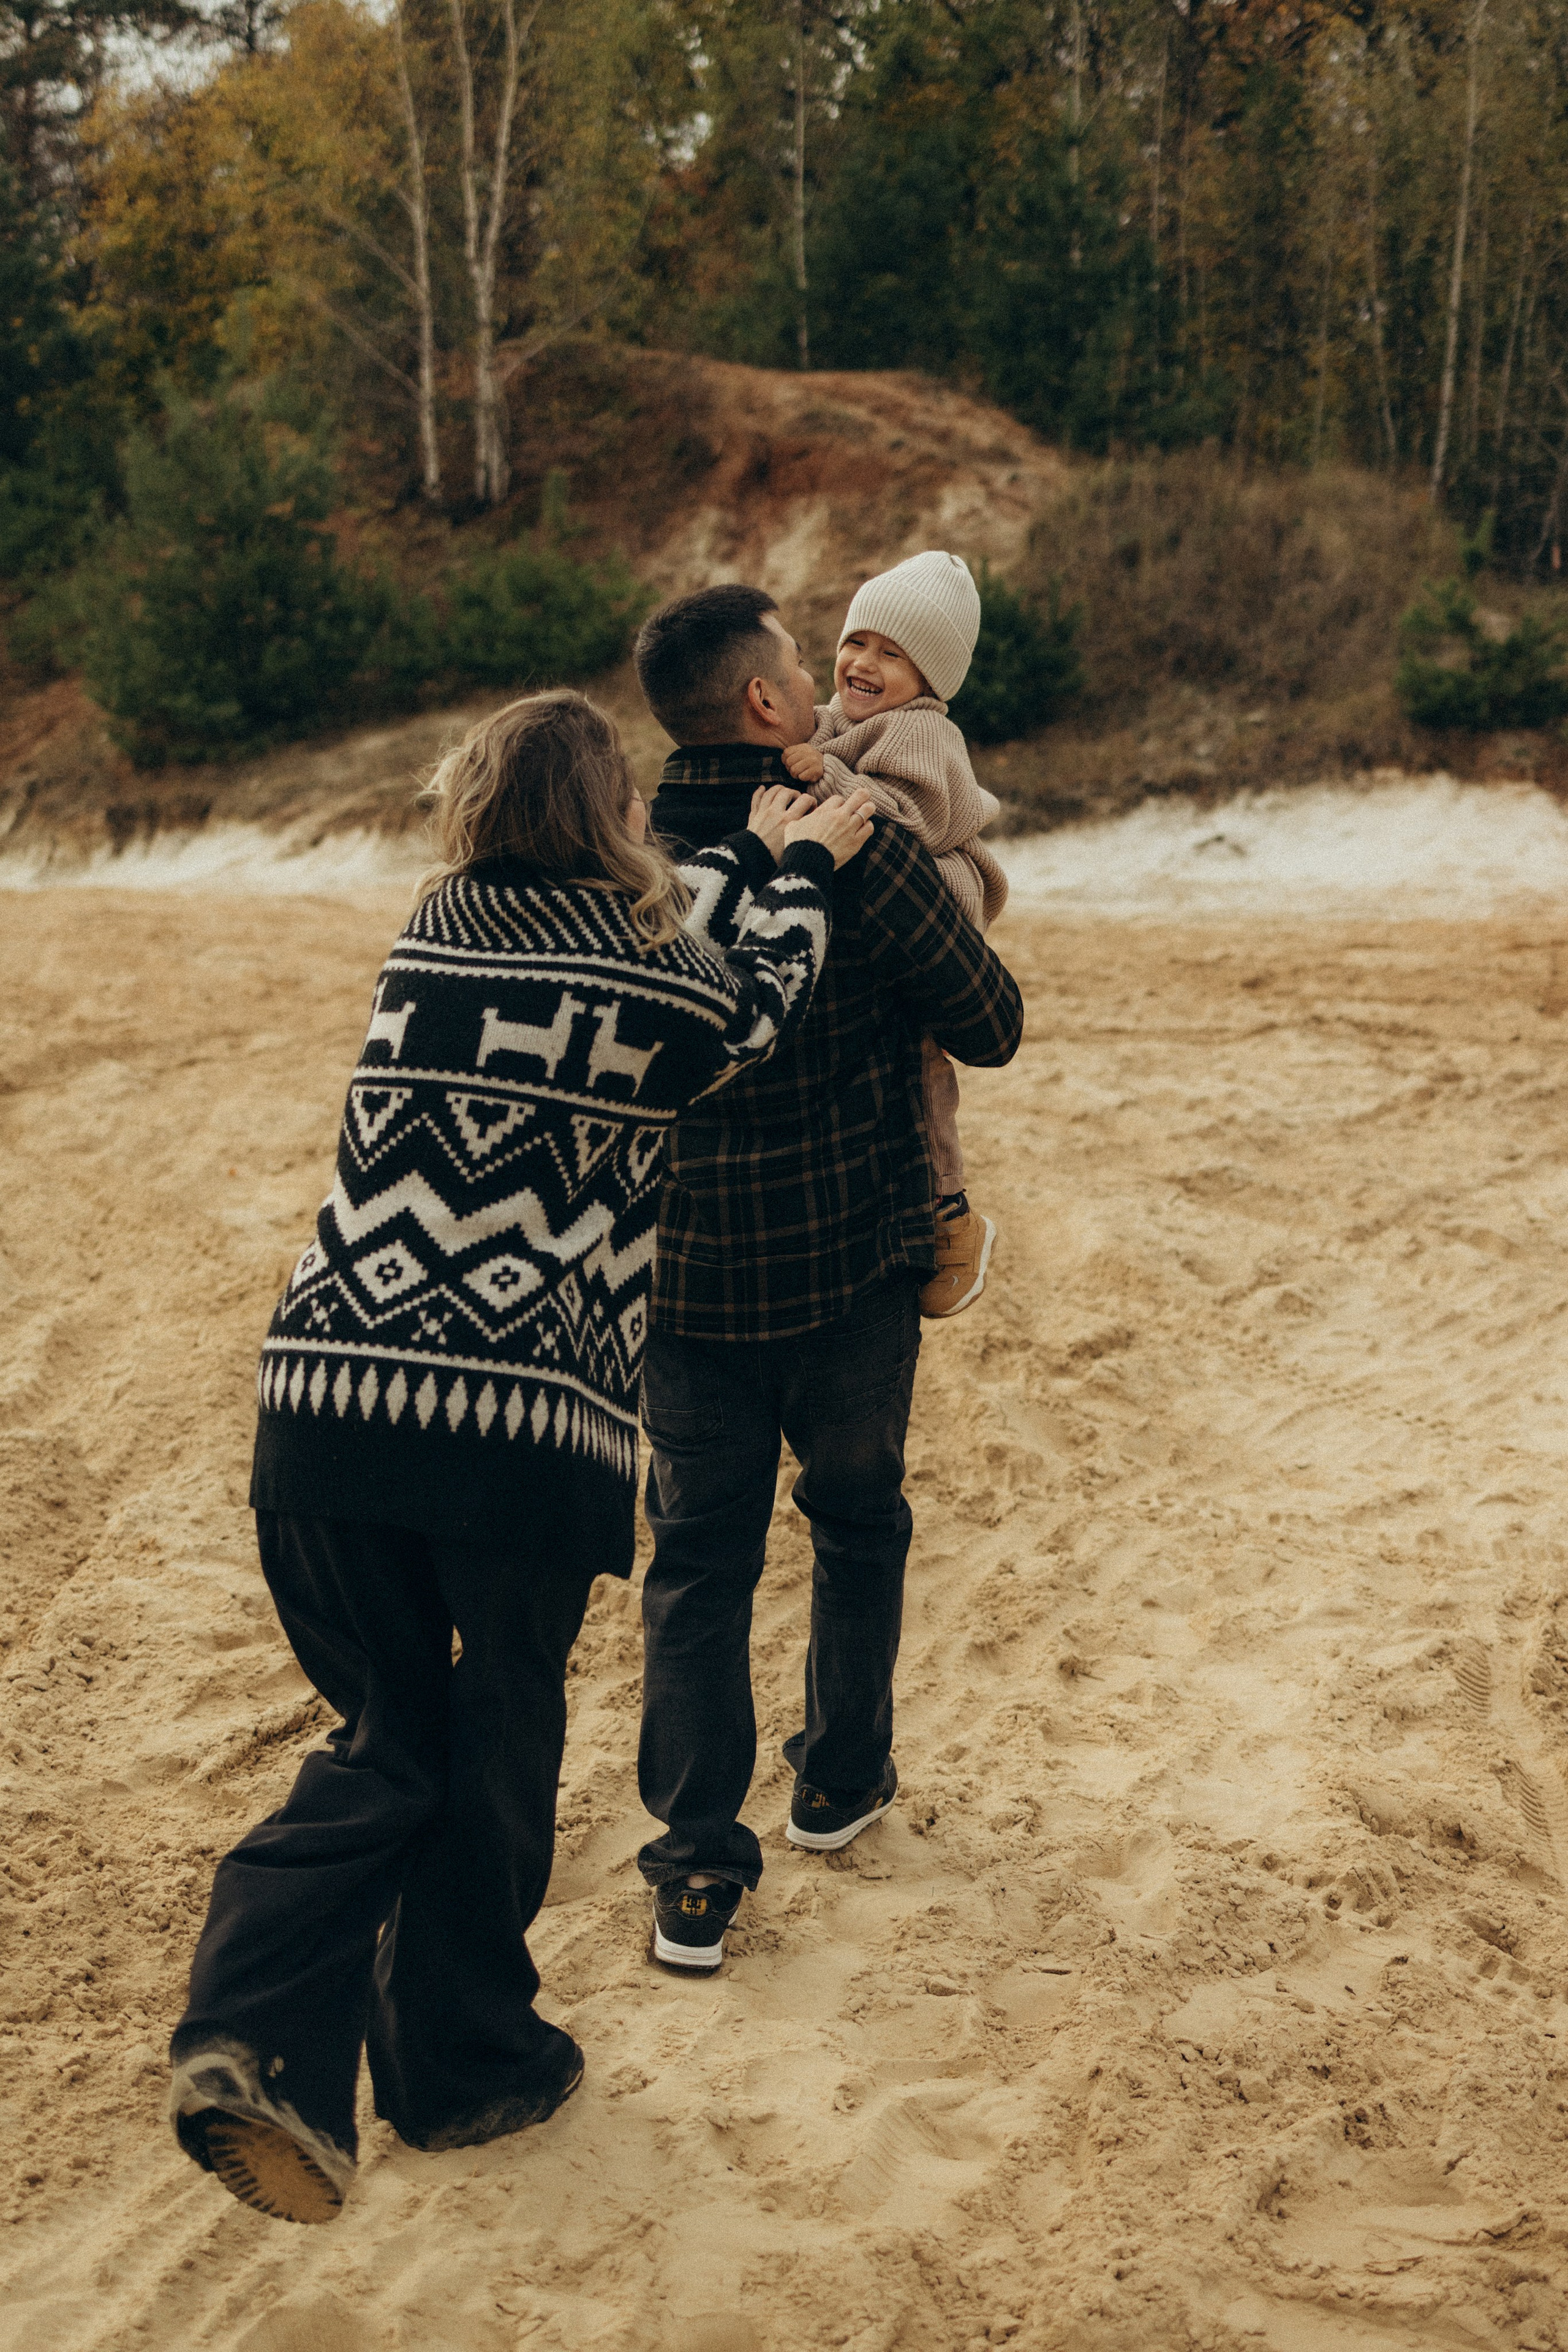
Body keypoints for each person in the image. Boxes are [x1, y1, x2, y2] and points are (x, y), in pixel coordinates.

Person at [167, 690, 874, 2225]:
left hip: (321, 1403)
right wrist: (800, 862)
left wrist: (734, 866)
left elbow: (662, 958)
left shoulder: (432, 921)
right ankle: (458, 2065)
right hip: (509, 1425)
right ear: (606, 806)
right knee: (493, 1740)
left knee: (387, 1735)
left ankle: (256, 2036)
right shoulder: (637, 954)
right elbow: (748, 1014)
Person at [631, 586, 1025, 1972]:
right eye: (804, 659)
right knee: (856, 1524)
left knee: (694, 1563)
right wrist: (899, 879)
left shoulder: (625, 853)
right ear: (762, 701)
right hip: (851, 1272)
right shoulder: (856, 833)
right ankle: (838, 1780)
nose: (822, 672)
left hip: (675, 1293)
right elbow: (991, 1021)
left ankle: (691, 1876)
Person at [780, 550, 1007, 1319]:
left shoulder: (921, 734)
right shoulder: (839, 722)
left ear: (931, 679)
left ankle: (950, 1211)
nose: (864, 663)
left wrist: (824, 777)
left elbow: (906, 822)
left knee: (921, 1072)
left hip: (933, 901)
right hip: (871, 917)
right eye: (856, 642)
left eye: (893, 653)